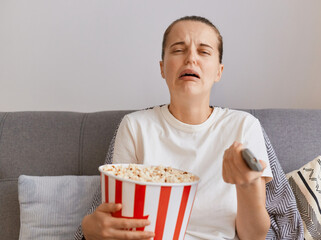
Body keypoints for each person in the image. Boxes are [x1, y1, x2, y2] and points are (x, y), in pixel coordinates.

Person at [81, 16, 273, 240]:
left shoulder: (243, 126)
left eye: (204, 51)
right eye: (179, 50)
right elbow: (116, 219)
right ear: (162, 68)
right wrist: (90, 227)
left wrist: (247, 184)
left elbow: (254, 236)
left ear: (219, 71)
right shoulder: (135, 126)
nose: (191, 58)